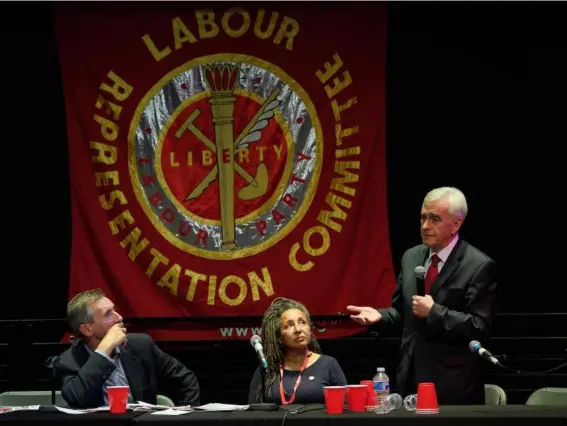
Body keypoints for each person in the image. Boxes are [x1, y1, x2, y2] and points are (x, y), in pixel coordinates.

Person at [347, 187, 498, 405]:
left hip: (452, 387)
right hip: (409, 379)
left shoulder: (478, 266)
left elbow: (480, 326)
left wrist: (435, 312)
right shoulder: (411, 257)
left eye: (434, 219)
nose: (425, 226)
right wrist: (380, 316)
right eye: (423, 217)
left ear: (456, 223)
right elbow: (403, 313)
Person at [55, 289, 200, 408]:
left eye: (115, 310)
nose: (119, 317)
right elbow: (75, 397)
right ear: (87, 329)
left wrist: (185, 416)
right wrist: (105, 349)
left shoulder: (141, 346)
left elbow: (186, 379)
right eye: (107, 314)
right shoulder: (69, 360)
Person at [248, 297, 347, 405]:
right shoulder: (267, 369)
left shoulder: (328, 365)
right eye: (289, 325)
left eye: (302, 322)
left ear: (310, 329)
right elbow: (253, 412)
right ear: (279, 336)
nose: (298, 329)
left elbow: (344, 408)